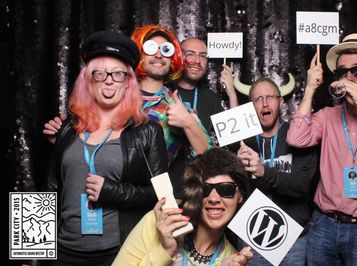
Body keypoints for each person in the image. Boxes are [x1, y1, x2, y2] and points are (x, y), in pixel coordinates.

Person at [44, 31, 168, 265]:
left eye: (118, 74)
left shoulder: (148, 132)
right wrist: (30, 256)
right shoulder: (67, 129)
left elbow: (163, 197)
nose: (109, 80)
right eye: (100, 73)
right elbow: (48, 190)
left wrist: (114, 191)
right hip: (63, 253)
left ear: (129, 82)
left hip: (119, 253)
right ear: (87, 80)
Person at [286, 33, 357, 265]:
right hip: (323, 225)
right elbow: (296, 139)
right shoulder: (328, 116)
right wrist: (309, 89)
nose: (348, 77)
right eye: (342, 71)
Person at [112, 148, 253, 266]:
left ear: (240, 195)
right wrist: (164, 251)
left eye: (226, 189)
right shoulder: (158, 224)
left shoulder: (233, 260)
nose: (214, 199)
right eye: (205, 189)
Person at [235, 77, 318, 265]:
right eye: (258, 99)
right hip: (252, 237)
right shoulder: (241, 143)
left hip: (293, 240)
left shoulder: (299, 137)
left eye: (270, 97)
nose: (265, 103)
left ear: (280, 102)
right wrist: (236, 167)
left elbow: (301, 185)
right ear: (251, 106)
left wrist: (263, 171)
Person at [130, 25, 211, 198]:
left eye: (165, 50)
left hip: (154, 201)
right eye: (151, 48)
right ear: (139, 53)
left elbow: (209, 158)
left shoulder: (177, 107)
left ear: (173, 58)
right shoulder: (118, 96)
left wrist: (188, 122)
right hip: (113, 198)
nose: (159, 55)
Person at [172, 37, 238, 140]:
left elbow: (232, 137)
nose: (197, 61)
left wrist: (232, 95)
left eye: (202, 56)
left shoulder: (210, 98)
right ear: (179, 56)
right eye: (190, 54)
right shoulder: (164, 91)